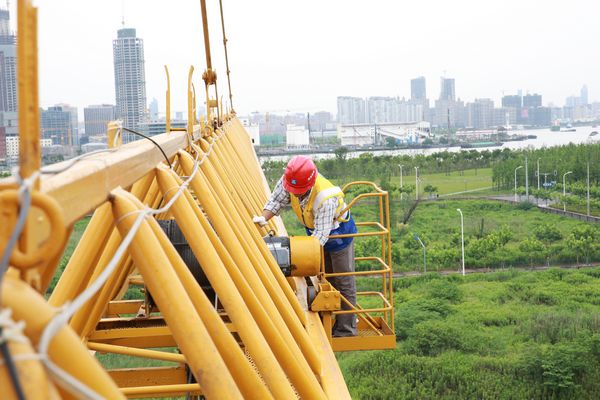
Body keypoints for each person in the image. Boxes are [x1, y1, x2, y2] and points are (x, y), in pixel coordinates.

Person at [253, 155, 358, 337]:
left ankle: (347, 328)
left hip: (338, 234)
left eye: (299, 191)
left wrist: (297, 255)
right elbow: (276, 201)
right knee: (325, 277)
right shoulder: (290, 182)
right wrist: (264, 217)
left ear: (309, 184)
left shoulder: (325, 198)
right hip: (315, 230)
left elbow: (320, 238)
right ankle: (333, 316)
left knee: (342, 279)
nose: (294, 193)